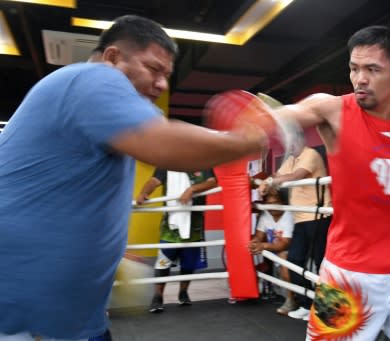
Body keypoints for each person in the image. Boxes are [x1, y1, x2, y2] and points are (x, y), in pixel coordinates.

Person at [0, 15, 269, 341]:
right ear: (112, 57)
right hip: (25, 314)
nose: (162, 84)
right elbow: (168, 144)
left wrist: (109, 250)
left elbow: (71, 188)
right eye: (154, 69)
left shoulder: (86, 102)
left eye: (167, 75)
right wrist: (257, 136)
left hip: (69, 310)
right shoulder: (93, 79)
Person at [268, 25, 390, 340]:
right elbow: (288, 115)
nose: (360, 79)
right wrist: (254, 121)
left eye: (373, 69)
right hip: (344, 274)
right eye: (354, 69)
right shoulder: (334, 111)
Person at [258, 141, 332, 321]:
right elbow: (280, 175)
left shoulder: (310, 154)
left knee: (320, 263)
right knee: (294, 260)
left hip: (318, 216)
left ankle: (326, 310)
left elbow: (296, 176)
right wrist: (267, 182)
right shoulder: (292, 158)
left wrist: (270, 181)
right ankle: (307, 304)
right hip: (300, 217)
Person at [136, 169, 217, 312]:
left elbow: (212, 182)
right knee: (163, 262)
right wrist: (144, 192)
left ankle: (183, 292)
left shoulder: (204, 162)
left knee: (188, 263)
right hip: (170, 227)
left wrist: (192, 189)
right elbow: (154, 181)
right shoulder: (167, 163)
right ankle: (158, 296)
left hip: (194, 226)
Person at [248, 188, 296, 314]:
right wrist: (254, 243)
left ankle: (291, 300)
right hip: (273, 248)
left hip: (289, 250)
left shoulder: (288, 215)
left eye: (275, 203)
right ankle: (249, 292)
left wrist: (262, 245)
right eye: (269, 204)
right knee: (249, 250)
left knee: (283, 257)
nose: (272, 207)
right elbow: (258, 236)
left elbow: (285, 244)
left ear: (282, 202)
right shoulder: (266, 215)